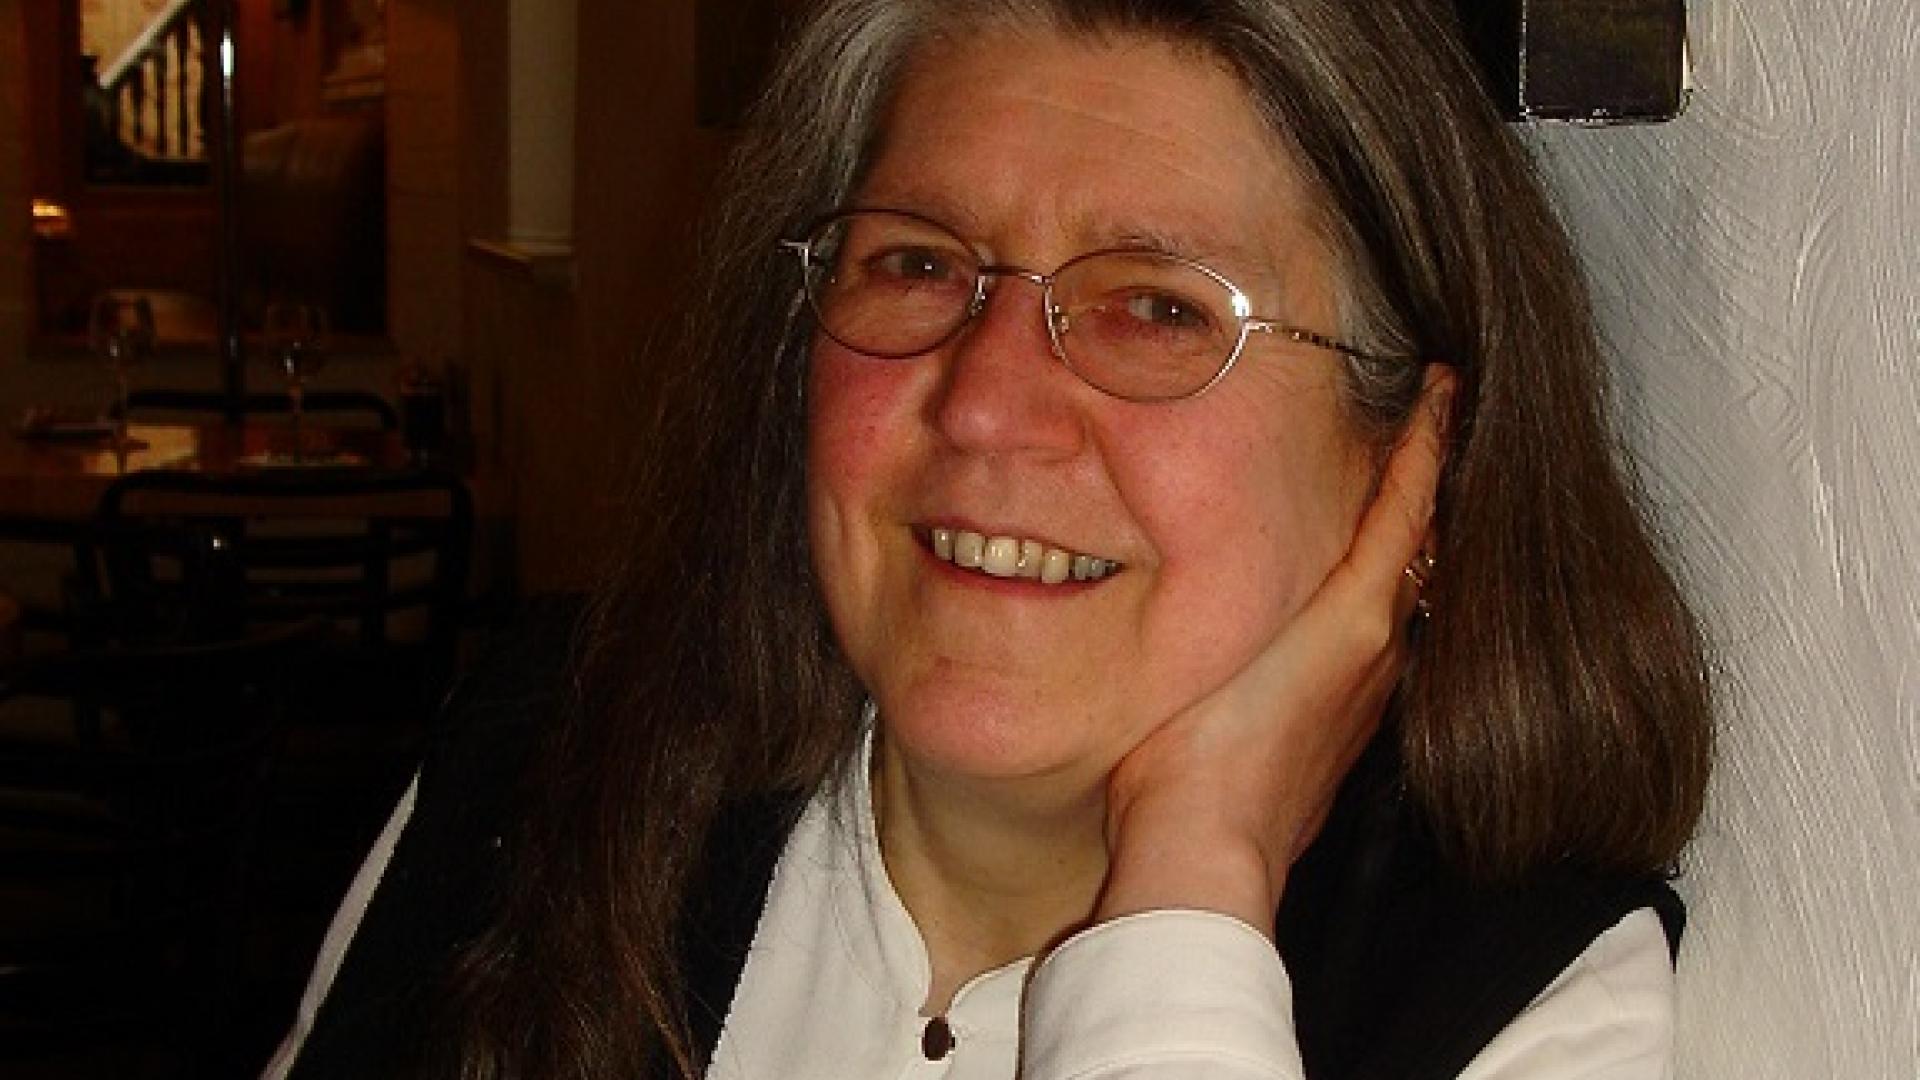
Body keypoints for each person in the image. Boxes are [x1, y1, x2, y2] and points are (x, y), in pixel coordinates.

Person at [267, 0, 1712, 1077]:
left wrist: (1190, 888)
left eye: (1157, 305)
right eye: (917, 263)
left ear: (1412, 461)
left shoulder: (1524, 1007)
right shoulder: (544, 756)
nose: (986, 406)